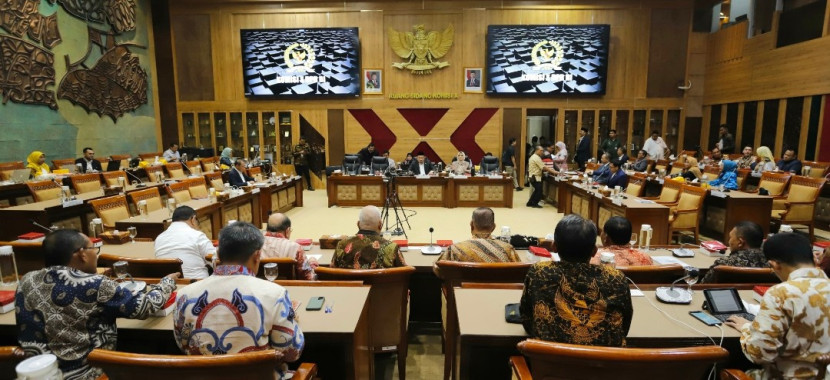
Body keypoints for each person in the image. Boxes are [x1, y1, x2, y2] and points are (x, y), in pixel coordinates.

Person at [17, 230, 177, 379]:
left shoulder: (26, 280)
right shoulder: (95, 283)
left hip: (39, 374)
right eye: (94, 249)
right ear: (82, 255)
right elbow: (144, 307)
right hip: (90, 374)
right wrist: (167, 283)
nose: (96, 254)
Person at [174, 222, 304, 379]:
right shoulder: (274, 294)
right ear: (257, 255)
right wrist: (294, 320)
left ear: (218, 254)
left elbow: (183, 345)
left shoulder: (184, 295)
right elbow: (292, 352)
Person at [724, 233, 830, 379]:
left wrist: (746, 329)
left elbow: (760, 354)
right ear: (813, 258)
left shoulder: (782, 293)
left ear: (774, 265)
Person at [520, 215, 633, 346]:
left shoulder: (539, 272)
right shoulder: (615, 277)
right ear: (594, 251)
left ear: (554, 246)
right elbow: (624, 327)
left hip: (549, 362)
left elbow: (527, 319)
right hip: (603, 364)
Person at [331, 205, 407, 269]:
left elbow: (332, 272)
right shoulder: (391, 248)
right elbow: (404, 272)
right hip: (381, 286)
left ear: (358, 224)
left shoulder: (342, 245)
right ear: (380, 225)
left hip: (351, 286)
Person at [438, 207, 520, 263]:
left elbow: (439, 269)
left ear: (471, 225)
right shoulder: (507, 250)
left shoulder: (455, 249)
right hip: (498, 288)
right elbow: (520, 271)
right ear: (493, 227)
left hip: (464, 288)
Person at [155, 206, 216, 279]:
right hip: (198, 285)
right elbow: (216, 261)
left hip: (172, 286)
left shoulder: (159, 239)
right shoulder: (197, 235)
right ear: (193, 219)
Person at [700, 221, 768, 283]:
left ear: (740, 242)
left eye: (730, 237)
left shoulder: (722, 264)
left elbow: (702, 286)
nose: (729, 241)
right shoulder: (772, 263)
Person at [261, 213, 316, 280]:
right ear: (287, 231)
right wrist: (312, 263)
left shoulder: (253, 244)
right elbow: (308, 277)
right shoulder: (295, 247)